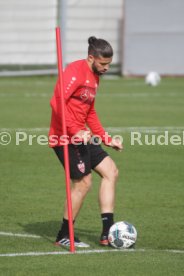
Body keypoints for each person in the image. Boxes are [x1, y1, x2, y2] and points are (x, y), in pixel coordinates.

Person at [49, 36, 123, 248]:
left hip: (82, 135)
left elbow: (90, 112)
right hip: (64, 136)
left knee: (111, 171)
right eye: (103, 64)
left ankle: (107, 233)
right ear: (91, 57)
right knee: (83, 183)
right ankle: (64, 235)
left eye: (109, 64)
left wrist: (107, 139)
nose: (106, 68)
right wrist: (74, 130)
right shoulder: (75, 70)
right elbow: (56, 101)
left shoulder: (95, 77)